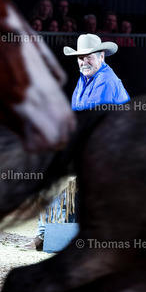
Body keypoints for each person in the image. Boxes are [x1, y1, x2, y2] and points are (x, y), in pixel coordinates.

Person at [24, 35, 130, 250]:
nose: (84, 62)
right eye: (80, 58)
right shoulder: (85, 80)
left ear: (101, 56)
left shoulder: (106, 81)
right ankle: (49, 233)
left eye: (89, 57)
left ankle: (47, 234)